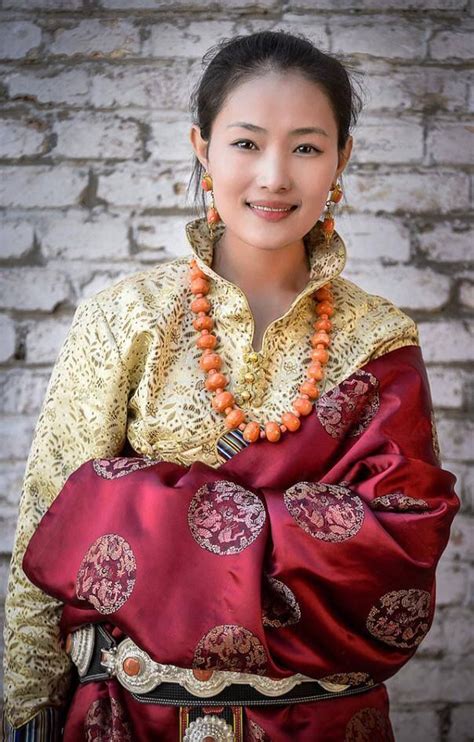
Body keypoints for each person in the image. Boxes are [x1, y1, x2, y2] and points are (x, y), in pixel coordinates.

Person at [2, 29, 459, 742]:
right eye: (247, 143)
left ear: (343, 159)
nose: (275, 176)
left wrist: (133, 504)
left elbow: (399, 552)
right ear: (202, 150)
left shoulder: (380, 339)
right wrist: (27, 707)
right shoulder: (127, 319)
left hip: (324, 724)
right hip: (130, 719)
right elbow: (52, 530)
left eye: (307, 146)